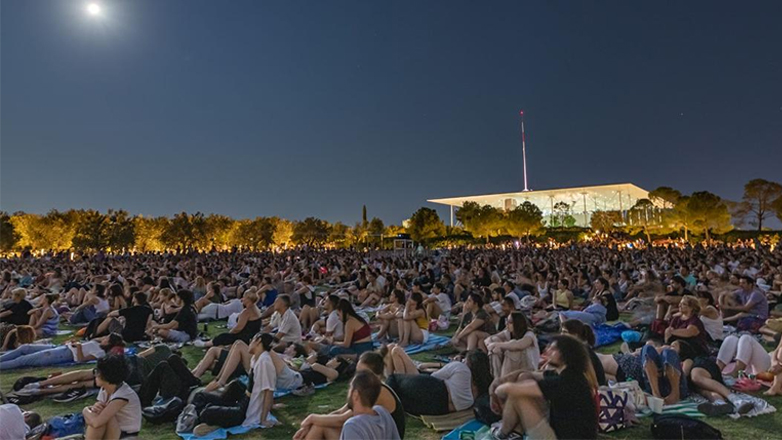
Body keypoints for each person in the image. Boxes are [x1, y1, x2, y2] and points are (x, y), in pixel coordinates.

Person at [492, 335, 598, 440]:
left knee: (517, 394)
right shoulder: (568, 374)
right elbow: (531, 374)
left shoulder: (567, 381)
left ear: (566, 355)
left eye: (553, 349)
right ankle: (514, 433)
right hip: (560, 431)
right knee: (522, 383)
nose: (547, 350)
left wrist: (497, 390)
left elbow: (510, 389)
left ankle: (502, 434)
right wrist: (503, 379)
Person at [295, 352, 405, 440]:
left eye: (363, 373)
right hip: (371, 432)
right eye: (357, 372)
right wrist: (310, 424)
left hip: (380, 435)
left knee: (321, 427)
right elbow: (340, 412)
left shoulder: (378, 390)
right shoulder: (370, 386)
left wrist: (311, 418)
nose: (358, 377)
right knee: (319, 426)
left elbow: (342, 419)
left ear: (376, 374)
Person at [386, 350, 492, 416]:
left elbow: (434, 377)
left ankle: (384, 399)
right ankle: (392, 402)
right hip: (438, 409)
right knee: (401, 394)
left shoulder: (462, 369)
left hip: (432, 389)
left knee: (393, 377)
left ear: (468, 363)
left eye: (464, 360)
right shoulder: (477, 392)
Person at [672, 340, 753, 416]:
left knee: (696, 377)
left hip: (703, 366)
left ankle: (737, 400)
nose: (670, 347)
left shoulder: (687, 360)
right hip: (700, 380)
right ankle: (720, 403)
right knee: (704, 391)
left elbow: (685, 373)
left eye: (673, 346)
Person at [83, 355, 142, 439]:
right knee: (98, 411)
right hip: (114, 430)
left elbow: (96, 423)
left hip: (125, 435)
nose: (95, 375)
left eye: (97, 372)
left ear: (106, 375)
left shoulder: (123, 395)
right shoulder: (106, 388)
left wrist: (85, 410)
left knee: (99, 416)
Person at [0, 333, 124, 370]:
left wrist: (79, 347)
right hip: (61, 348)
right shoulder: (97, 343)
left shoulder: (100, 353)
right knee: (25, 348)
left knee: (22, 360)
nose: (103, 338)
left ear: (108, 343)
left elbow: (80, 360)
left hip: (62, 355)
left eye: (106, 338)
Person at [337, 371, 401, 440]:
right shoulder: (383, 413)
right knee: (328, 430)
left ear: (355, 395)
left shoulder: (352, 426)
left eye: (350, 388)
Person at [195, 291, 262, 348]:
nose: (242, 299)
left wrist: (229, 333)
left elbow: (238, 328)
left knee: (223, 336)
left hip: (245, 337)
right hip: (252, 335)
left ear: (248, 299)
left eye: (244, 297)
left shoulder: (247, 311)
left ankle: (205, 344)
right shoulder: (256, 309)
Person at [484, 312, 539, 378]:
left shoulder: (529, 334)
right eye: (506, 321)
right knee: (495, 350)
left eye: (510, 322)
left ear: (517, 323)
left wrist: (497, 344)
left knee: (511, 349)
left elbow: (519, 345)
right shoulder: (508, 332)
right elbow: (488, 339)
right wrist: (495, 344)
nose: (506, 324)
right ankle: (497, 378)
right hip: (511, 367)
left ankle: (503, 380)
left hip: (528, 368)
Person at [560, 319, 607, 386]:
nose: (561, 335)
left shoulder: (580, 351)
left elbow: (591, 377)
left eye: (565, 332)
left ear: (575, 335)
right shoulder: (578, 348)